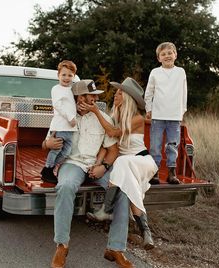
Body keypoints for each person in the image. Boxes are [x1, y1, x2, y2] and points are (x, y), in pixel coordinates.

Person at [44, 79, 134, 268]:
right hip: (72, 164)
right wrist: (47, 144)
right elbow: (46, 144)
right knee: (66, 186)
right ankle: (62, 245)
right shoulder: (62, 118)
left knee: (123, 190)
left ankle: (115, 249)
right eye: (89, 95)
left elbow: (113, 149)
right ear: (78, 98)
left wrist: (105, 167)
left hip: (96, 165)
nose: (94, 99)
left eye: (95, 96)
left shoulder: (103, 118)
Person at [84, 77, 158, 250]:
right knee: (130, 187)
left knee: (122, 162)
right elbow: (106, 144)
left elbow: (112, 132)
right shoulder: (114, 116)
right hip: (125, 166)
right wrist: (98, 163)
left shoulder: (137, 118)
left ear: (128, 98)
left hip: (142, 162)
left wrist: (95, 111)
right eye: (116, 92)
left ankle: (106, 210)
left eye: (119, 92)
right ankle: (146, 233)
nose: (115, 95)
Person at [144, 42, 187, 184]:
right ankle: (154, 172)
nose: (167, 56)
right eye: (163, 54)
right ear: (159, 58)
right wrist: (148, 109)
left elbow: (184, 93)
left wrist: (182, 111)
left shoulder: (180, 72)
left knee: (172, 145)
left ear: (175, 55)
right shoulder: (155, 72)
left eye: (170, 53)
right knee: (155, 145)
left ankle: (171, 173)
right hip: (157, 115)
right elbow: (149, 92)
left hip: (174, 116)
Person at [41, 60, 79, 184]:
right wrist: (70, 118)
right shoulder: (56, 89)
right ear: (58, 75)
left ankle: (51, 167)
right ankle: (47, 170)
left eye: (70, 75)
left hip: (70, 128)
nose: (66, 78)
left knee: (66, 152)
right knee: (56, 149)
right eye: (63, 75)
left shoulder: (72, 90)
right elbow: (57, 105)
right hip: (61, 126)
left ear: (74, 77)